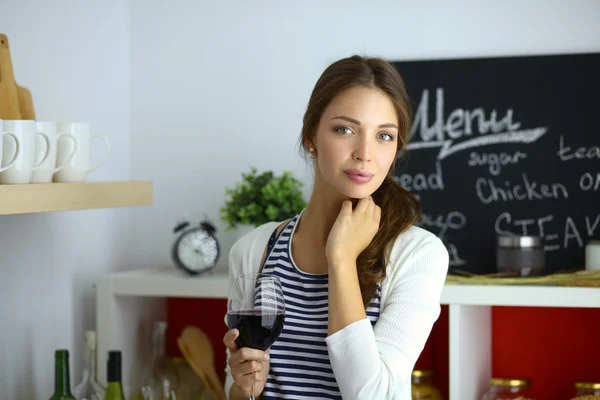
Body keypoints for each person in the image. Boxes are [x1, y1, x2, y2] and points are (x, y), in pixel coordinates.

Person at [222, 54, 449, 400]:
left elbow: (373, 395)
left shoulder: (419, 255)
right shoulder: (255, 250)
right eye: (345, 130)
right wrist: (244, 386)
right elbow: (236, 391)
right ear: (311, 136)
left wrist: (341, 257)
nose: (364, 153)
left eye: (384, 136)